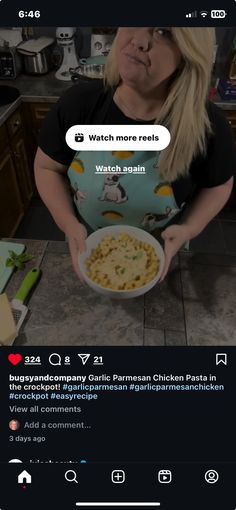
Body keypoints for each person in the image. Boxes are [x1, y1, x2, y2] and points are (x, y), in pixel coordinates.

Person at [34, 27, 235, 281]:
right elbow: (46, 167)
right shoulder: (79, 104)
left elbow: (219, 185)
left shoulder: (207, 126)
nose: (139, 40)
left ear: (188, 53)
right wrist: (67, 222)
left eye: (164, 32)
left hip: (161, 256)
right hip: (88, 250)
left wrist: (189, 229)